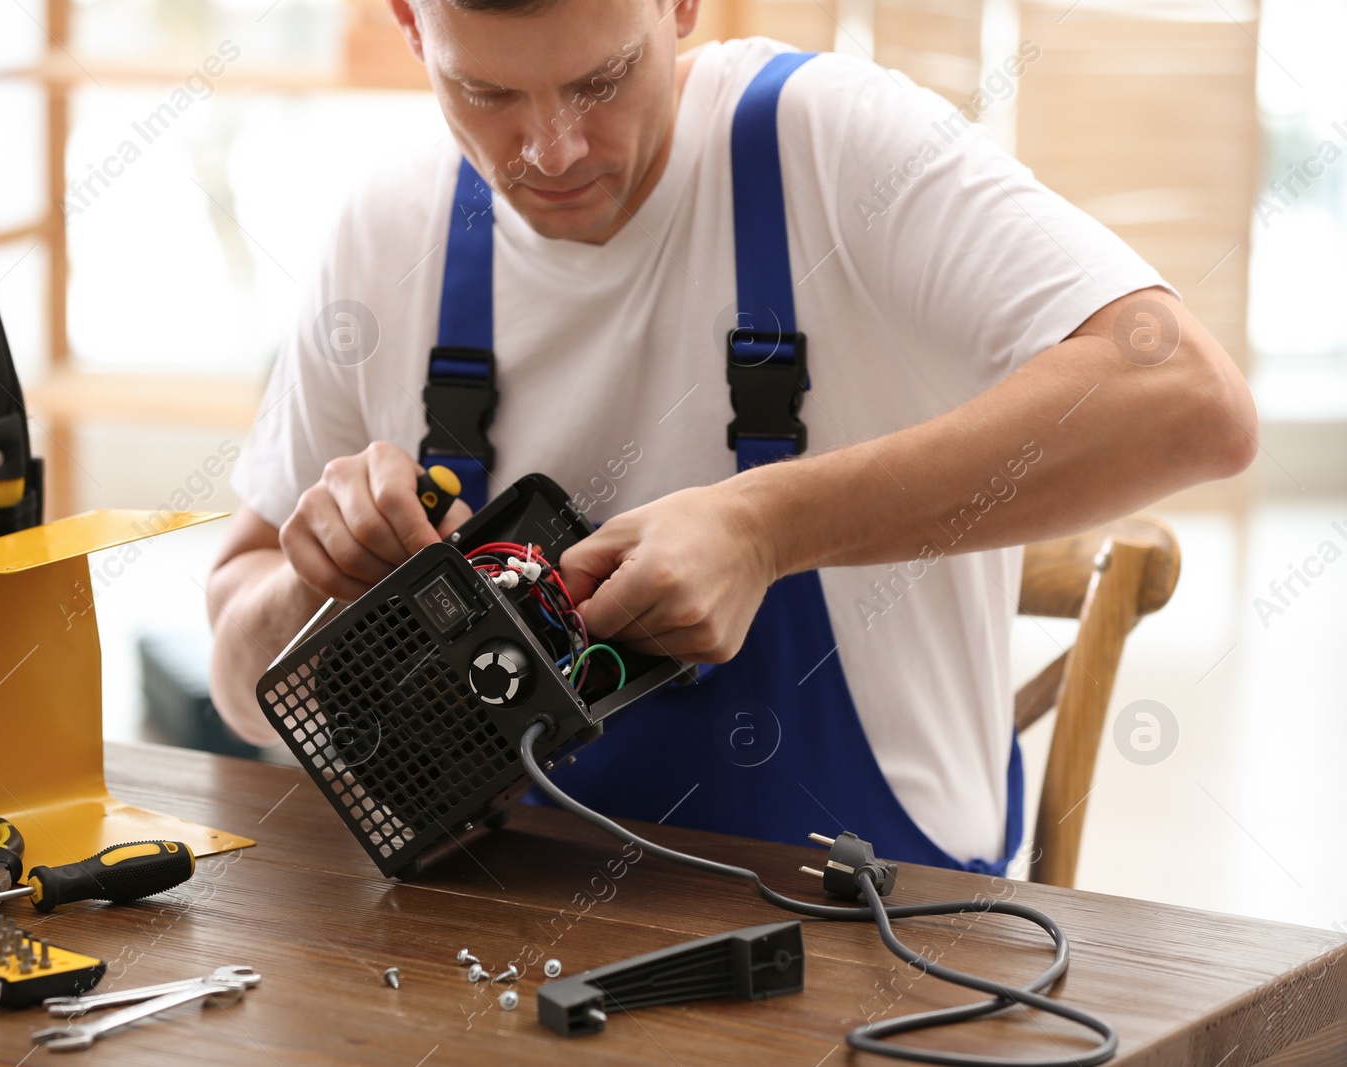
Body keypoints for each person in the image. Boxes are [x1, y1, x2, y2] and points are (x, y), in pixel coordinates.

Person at [206, 0, 1256, 873]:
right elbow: (238, 681)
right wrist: (319, 583)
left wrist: (767, 524)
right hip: (498, 924)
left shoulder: (834, 145)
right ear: (410, 24)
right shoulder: (390, 231)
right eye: (486, 95)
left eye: (601, 80)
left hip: (876, 931)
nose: (551, 149)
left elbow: (1187, 399)